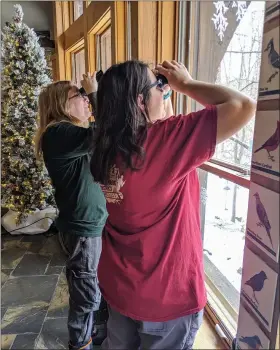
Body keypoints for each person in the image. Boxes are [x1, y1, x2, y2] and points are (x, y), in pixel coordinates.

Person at [90, 60, 256, 349]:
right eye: (158, 85)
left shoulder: (105, 146)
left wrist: (162, 97)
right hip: (166, 295)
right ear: (140, 101)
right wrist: (185, 84)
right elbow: (241, 106)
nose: (163, 90)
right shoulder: (165, 141)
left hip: (121, 284)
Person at [35, 74, 108, 350]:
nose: (85, 99)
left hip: (86, 226)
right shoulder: (57, 133)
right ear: (61, 105)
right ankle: (80, 344)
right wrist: (95, 93)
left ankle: (91, 335)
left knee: (89, 289)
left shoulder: (67, 134)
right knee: (85, 295)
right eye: (78, 95)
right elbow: (102, 133)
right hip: (82, 230)